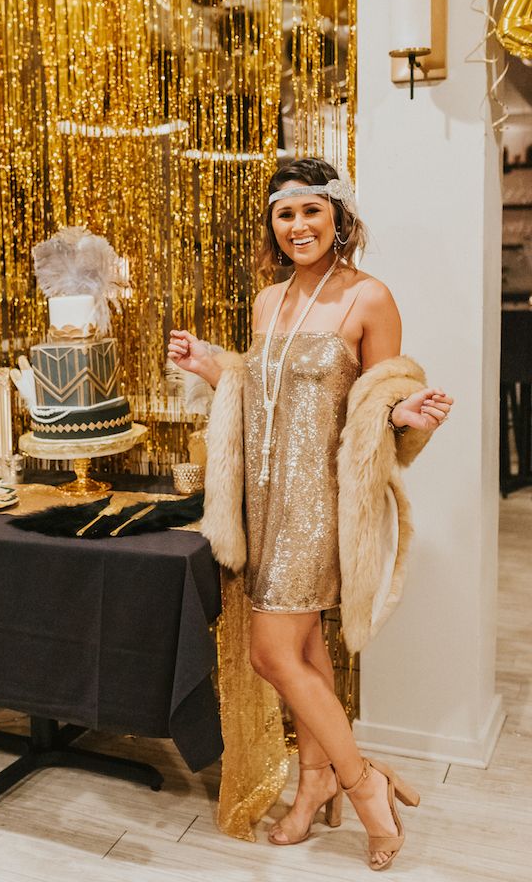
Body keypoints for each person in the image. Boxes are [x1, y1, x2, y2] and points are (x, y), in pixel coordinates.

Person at [167, 157, 454, 871]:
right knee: (303, 655)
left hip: (321, 505)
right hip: (262, 502)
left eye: (311, 212)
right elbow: (267, 390)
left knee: (270, 653)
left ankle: (365, 791)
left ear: (338, 217)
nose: (298, 226)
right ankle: (312, 783)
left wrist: (403, 409)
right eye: (284, 215)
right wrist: (217, 366)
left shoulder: (368, 299)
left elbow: (380, 395)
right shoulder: (269, 303)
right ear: (273, 225)